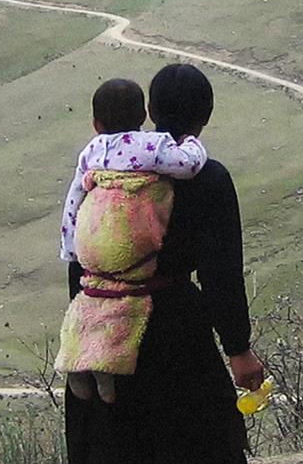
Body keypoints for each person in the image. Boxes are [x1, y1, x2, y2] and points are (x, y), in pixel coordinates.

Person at [62, 62, 267, 464]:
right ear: (205, 117)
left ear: (151, 112)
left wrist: (88, 324)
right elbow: (222, 272)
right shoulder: (205, 178)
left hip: (100, 325)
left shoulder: (102, 171)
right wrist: (238, 348)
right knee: (190, 443)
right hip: (173, 327)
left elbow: (81, 251)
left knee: (109, 454)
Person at [56, 78, 207, 403]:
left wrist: (71, 249)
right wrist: (192, 144)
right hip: (129, 244)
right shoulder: (153, 146)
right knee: (124, 307)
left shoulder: (92, 151)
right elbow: (187, 166)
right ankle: (107, 367)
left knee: (91, 300)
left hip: (93, 246)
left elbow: (75, 198)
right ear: (143, 115)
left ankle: (77, 362)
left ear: (96, 123)